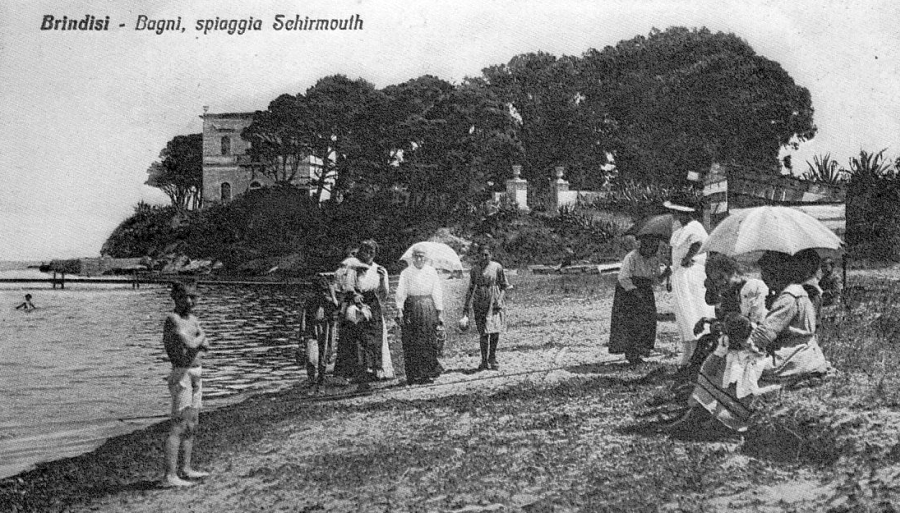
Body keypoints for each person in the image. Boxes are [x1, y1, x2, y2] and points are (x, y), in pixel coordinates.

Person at [685, 251, 831, 432]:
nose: (766, 280)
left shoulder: (789, 297)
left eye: (768, 274)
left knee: (726, 365)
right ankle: (705, 415)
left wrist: (740, 343)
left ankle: (721, 417)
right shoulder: (796, 293)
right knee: (729, 362)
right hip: (802, 352)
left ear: (780, 273)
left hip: (793, 357)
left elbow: (763, 335)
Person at [162, 282, 210, 487]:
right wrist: (201, 336)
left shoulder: (193, 319)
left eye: (192, 297)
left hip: (195, 373)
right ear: (175, 298)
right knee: (178, 425)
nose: (189, 301)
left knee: (191, 424)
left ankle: (186, 468)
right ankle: (170, 475)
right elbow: (193, 344)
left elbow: (204, 346)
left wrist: (198, 338)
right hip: (181, 374)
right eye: (184, 297)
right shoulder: (172, 319)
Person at [665, 196, 716, 367]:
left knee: (693, 307)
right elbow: (673, 252)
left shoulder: (695, 226)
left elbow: (699, 243)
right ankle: (688, 352)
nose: (676, 214)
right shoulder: (680, 228)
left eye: (678, 211)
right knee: (683, 311)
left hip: (691, 273)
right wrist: (670, 272)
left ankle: (701, 347)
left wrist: (688, 258)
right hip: (680, 273)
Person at [608, 235, 671, 364]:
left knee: (647, 320)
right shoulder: (632, 257)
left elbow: (656, 280)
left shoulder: (654, 260)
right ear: (643, 245)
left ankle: (641, 350)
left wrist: (667, 272)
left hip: (645, 290)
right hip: (628, 292)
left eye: (655, 247)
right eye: (650, 247)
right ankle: (631, 352)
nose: (653, 250)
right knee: (630, 322)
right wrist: (634, 292)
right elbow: (623, 277)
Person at [340, 240, 395, 388]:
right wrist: (354, 296)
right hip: (356, 302)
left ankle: (375, 369)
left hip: (373, 303)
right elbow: (346, 287)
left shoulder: (379, 269)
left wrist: (383, 280)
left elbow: (384, 295)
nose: (369, 254)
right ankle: (357, 371)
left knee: (374, 337)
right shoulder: (354, 266)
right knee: (356, 338)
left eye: (372, 252)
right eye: (366, 251)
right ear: (361, 251)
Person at [395, 243, 445, 385]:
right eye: (416, 256)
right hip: (411, 307)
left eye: (421, 256)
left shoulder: (431, 271)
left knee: (428, 340)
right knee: (411, 341)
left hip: (428, 306)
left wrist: (439, 312)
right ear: (412, 257)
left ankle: (427, 373)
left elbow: (437, 291)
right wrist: (399, 310)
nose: (419, 259)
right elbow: (401, 292)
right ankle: (413, 374)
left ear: (426, 258)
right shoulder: (406, 273)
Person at [463, 245, 509, 371]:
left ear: (491, 255)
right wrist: (466, 306)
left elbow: (504, 286)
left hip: (494, 299)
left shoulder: (497, 267)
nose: (483, 257)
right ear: (478, 256)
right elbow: (471, 288)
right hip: (480, 300)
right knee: (483, 332)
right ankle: (484, 360)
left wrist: (499, 300)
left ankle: (492, 358)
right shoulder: (475, 270)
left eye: (486, 255)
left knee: (494, 330)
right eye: (481, 255)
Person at [299, 275, 339, 388]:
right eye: (319, 291)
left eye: (323, 291)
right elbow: (303, 318)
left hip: (325, 331)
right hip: (311, 331)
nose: (321, 294)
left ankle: (320, 382)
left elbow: (336, 308)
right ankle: (311, 381)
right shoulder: (309, 302)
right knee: (311, 359)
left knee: (323, 358)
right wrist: (301, 335)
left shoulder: (328, 302)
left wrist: (332, 294)